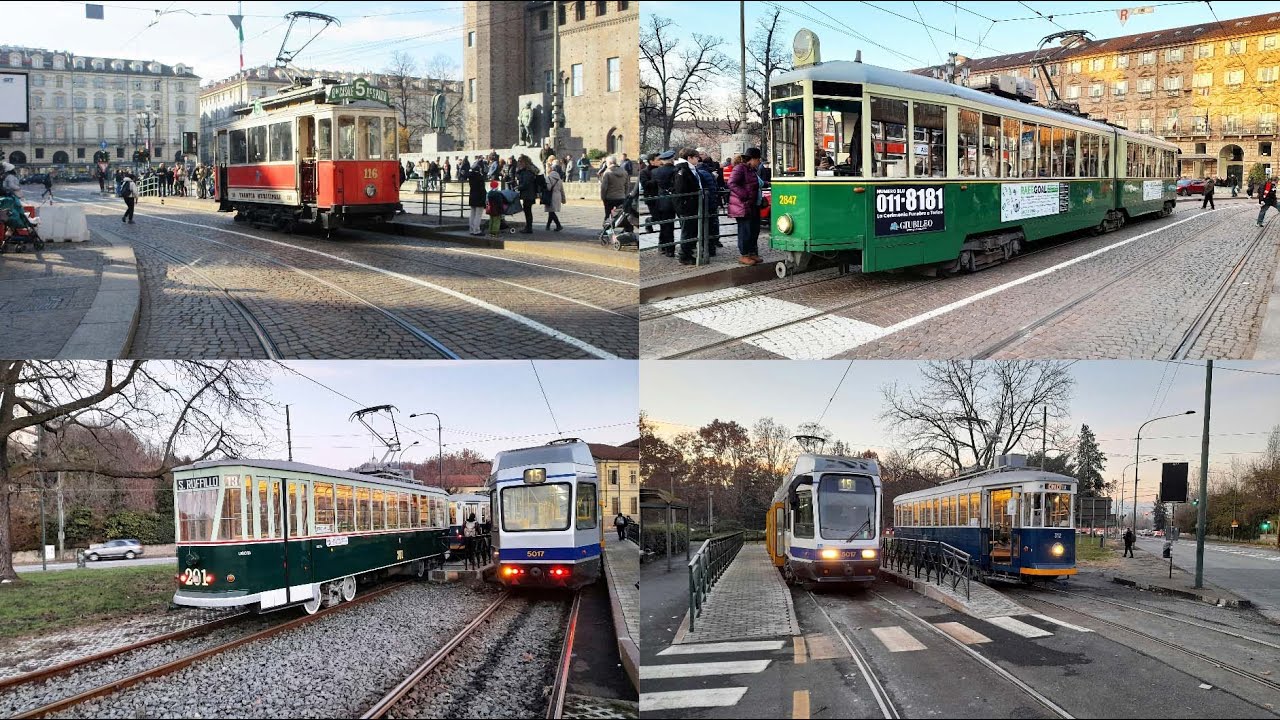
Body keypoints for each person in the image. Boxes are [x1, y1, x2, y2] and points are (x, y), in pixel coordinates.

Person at [729, 147, 763, 265]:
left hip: (752, 205)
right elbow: (731, 183)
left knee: (754, 230)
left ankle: (752, 253)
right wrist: (745, 195)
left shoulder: (750, 169)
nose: (759, 162)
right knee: (745, 231)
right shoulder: (740, 168)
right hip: (744, 206)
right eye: (758, 160)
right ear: (752, 159)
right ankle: (744, 254)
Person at [672, 147, 704, 265]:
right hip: (687, 206)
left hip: (691, 204)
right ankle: (684, 255)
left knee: (691, 230)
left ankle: (688, 252)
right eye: (696, 157)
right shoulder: (683, 170)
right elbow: (681, 189)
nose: (698, 159)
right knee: (687, 231)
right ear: (689, 158)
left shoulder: (688, 169)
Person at [651, 150, 677, 257]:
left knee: (665, 225)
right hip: (675, 201)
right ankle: (669, 249)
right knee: (673, 226)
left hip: (662, 201)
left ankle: (665, 247)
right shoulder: (676, 170)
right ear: (671, 159)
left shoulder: (655, 172)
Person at [600, 156, 629, 220]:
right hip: (621, 197)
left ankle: (608, 228)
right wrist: (625, 195)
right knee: (622, 216)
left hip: (610, 197)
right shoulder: (624, 172)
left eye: (606, 162)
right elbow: (627, 186)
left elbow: (604, 187)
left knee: (608, 215)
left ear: (609, 163)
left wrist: (603, 197)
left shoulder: (607, 173)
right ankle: (627, 228)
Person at [514, 155, 537, 233]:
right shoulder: (526, 171)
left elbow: (525, 183)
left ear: (524, 162)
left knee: (528, 211)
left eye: (520, 161)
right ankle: (528, 227)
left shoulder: (527, 172)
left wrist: (518, 187)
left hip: (528, 194)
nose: (519, 163)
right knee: (527, 211)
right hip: (528, 194)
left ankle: (529, 228)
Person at [544, 161, 565, 231]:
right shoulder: (559, 178)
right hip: (558, 196)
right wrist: (563, 199)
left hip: (551, 196)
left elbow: (548, 188)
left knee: (551, 212)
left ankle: (558, 225)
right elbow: (562, 190)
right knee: (551, 211)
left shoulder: (549, 178)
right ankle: (548, 226)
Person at [467, 160, 487, 235]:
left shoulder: (471, 176)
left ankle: (471, 229)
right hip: (479, 197)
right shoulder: (480, 177)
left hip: (472, 196)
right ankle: (476, 230)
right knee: (478, 215)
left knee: (472, 214)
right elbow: (482, 189)